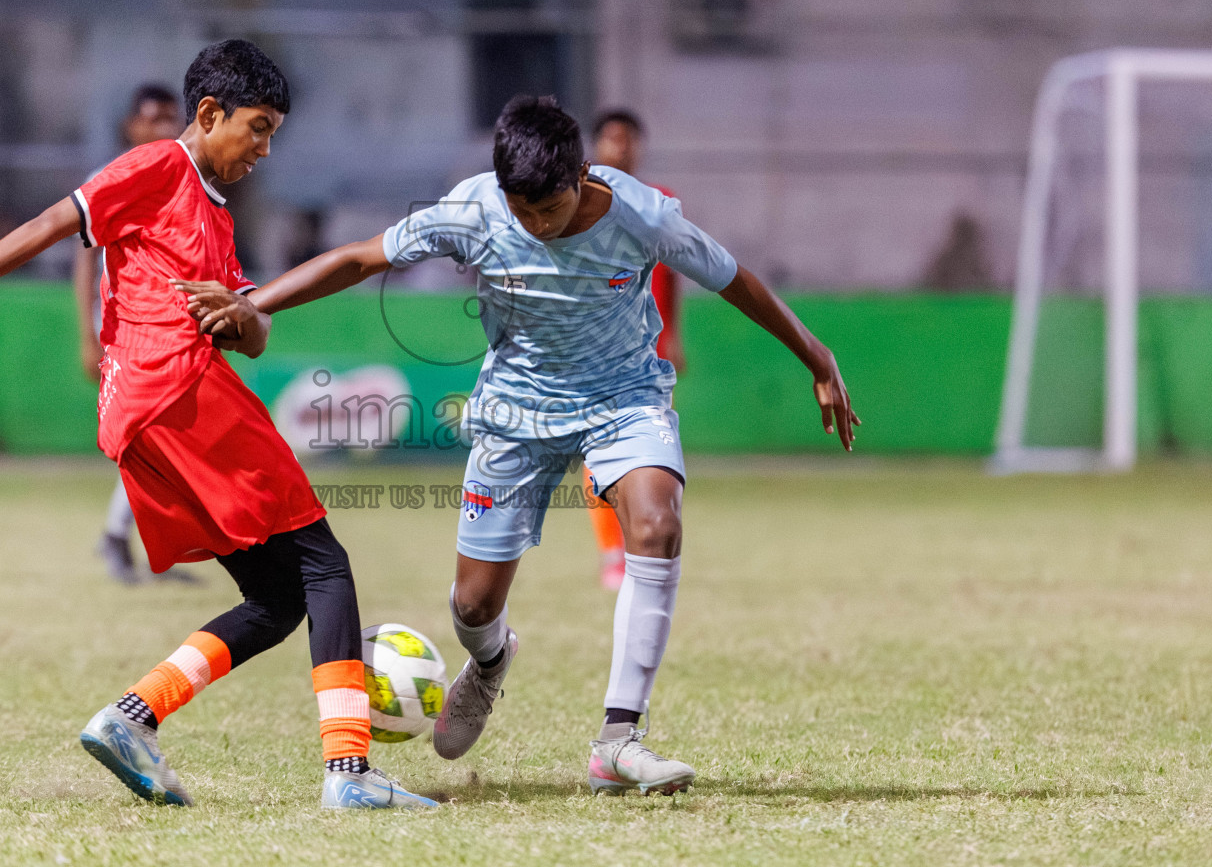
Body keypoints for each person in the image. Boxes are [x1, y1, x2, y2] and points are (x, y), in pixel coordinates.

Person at [187, 95, 858, 797]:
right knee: (473, 606)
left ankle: (618, 742)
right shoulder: (473, 211)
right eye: (522, 211)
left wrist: (817, 357)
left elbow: (734, 279)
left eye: (550, 210)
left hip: (625, 399)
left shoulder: (642, 214)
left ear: (581, 177)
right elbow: (360, 259)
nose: (536, 226)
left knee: (657, 526)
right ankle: (491, 660)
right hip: (515, 412)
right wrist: (251, 303)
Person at [0, 40, 434, 811]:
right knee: (325, 564)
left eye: (273, 134)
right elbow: (55, 221)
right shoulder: (161, 164)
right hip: (180, 394)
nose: (264, 148)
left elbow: (250, 332)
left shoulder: (215, 218)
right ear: (209, 113)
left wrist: (245, 314)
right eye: (256, 128)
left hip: (141, 415)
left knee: (277, 598)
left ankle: (131, 719)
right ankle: (350, 776)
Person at [72, 82, 201, 586]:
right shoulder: (112, 178)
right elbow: (85, 261)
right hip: (127, 333)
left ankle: (147, 544)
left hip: (173, 333)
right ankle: (121, 537)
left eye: (171, 118)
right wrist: (87, 333)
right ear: (131, 126)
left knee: (166, 440)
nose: (164, 128)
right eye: (153, 118)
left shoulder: (185, 176)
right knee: (147, 437)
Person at [583, 109, 684, 591]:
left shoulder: (659, 204)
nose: (619, 147)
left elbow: (676, 274)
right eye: (610, 138)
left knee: (650, 452)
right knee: (595, 450)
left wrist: (675, 335)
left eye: (627, 139)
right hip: (592, 350)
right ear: (597, 144)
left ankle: (640, 545)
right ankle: (613, 554)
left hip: (647, 355)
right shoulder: (577, 204)